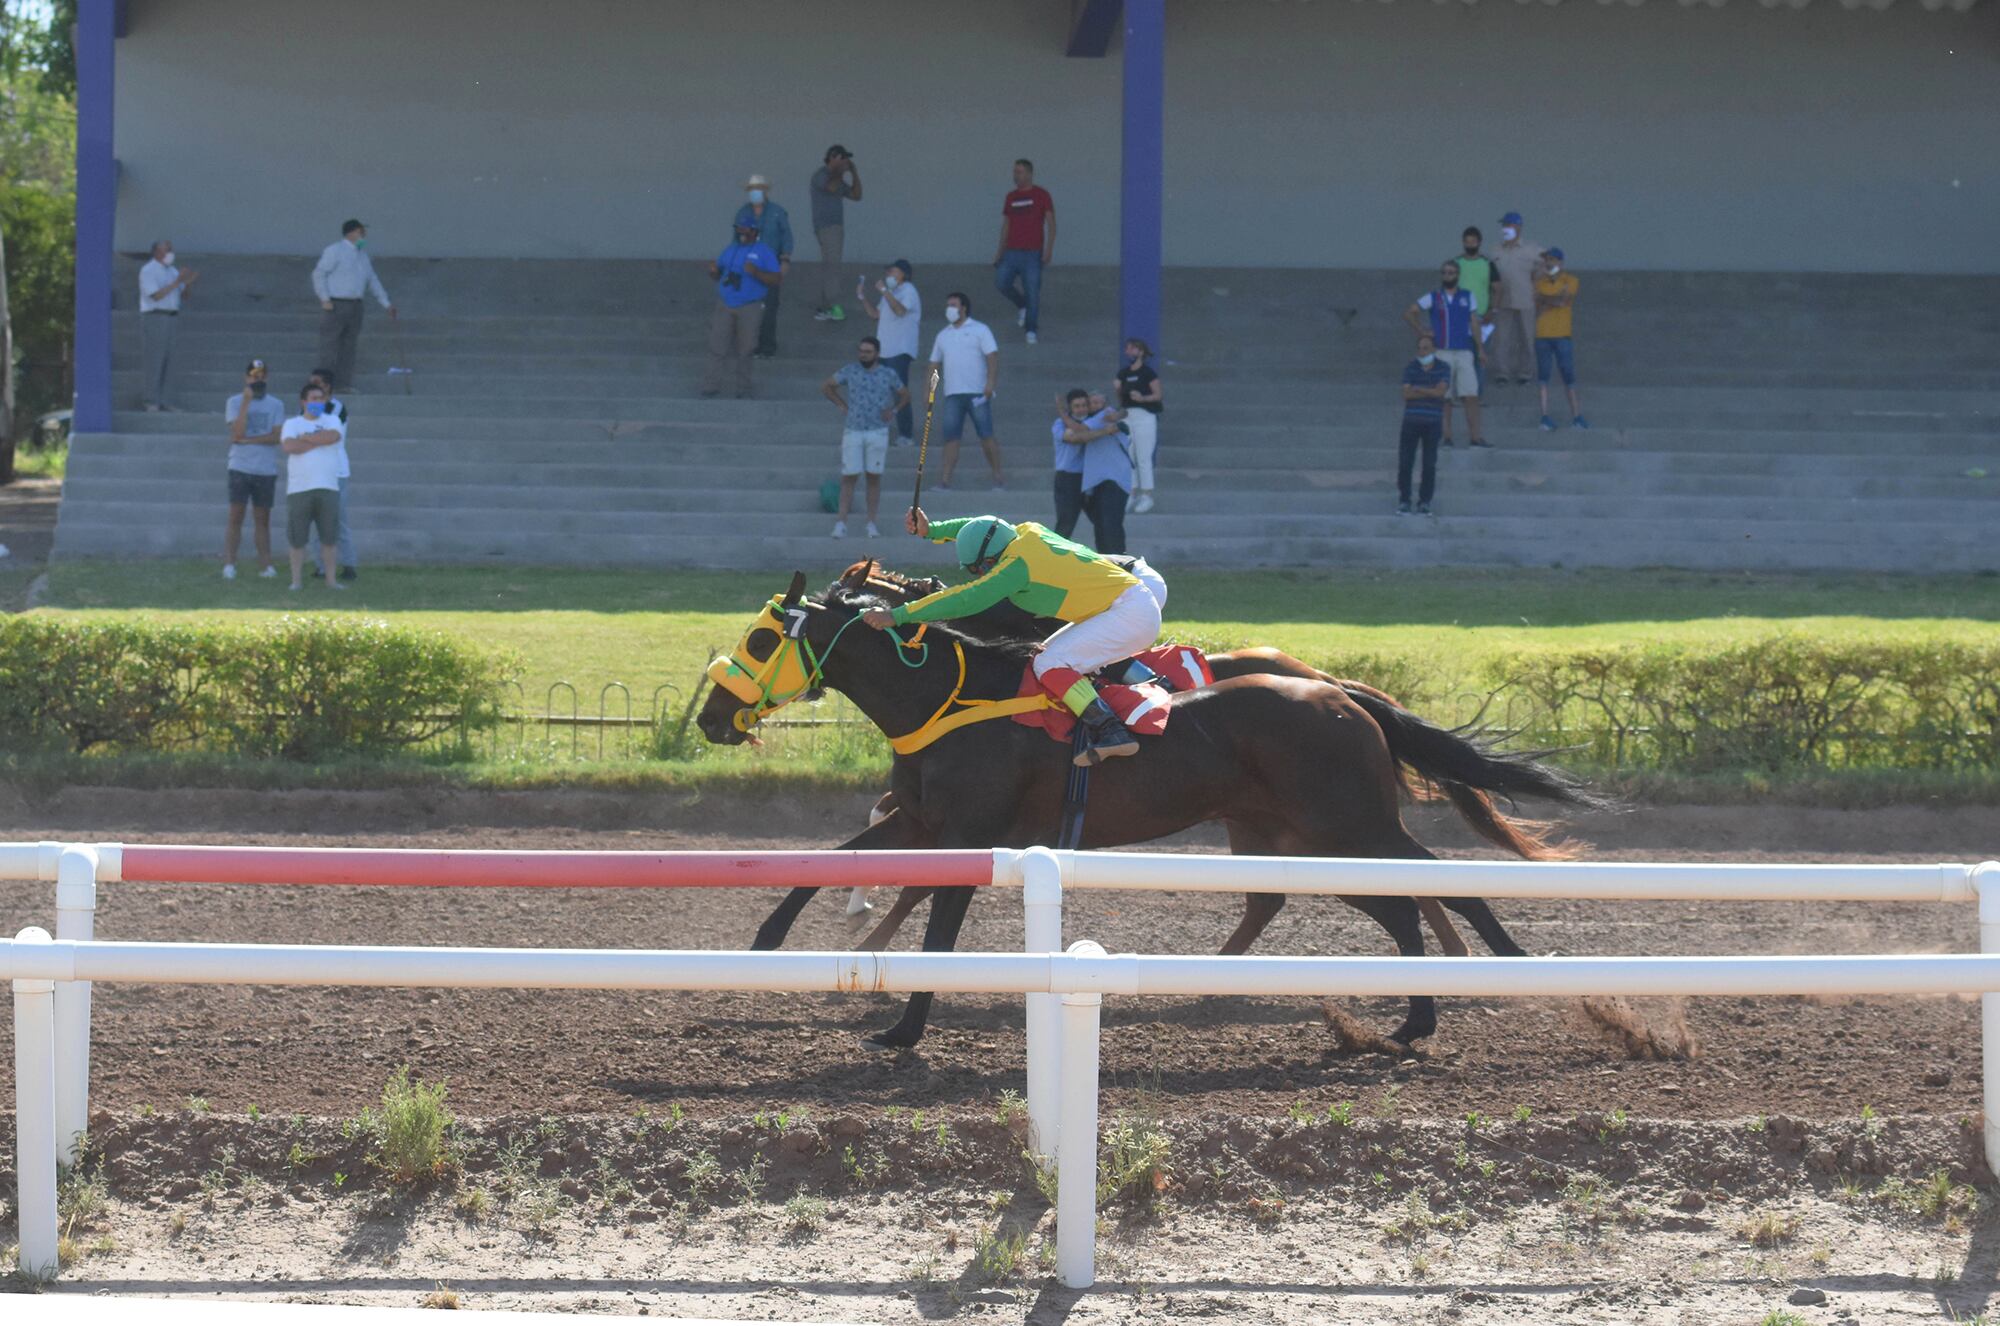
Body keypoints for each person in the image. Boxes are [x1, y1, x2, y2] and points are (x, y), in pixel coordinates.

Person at [861, 509, 1159, 766]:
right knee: (1048, 657)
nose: (981, 575)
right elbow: (985, 525)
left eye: (981, 569)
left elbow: (966, 599)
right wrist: (933, 530)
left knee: (1049, 663)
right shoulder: (1027, 532)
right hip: (1129, 603)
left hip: (1130, 612)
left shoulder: (1016, 567)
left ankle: (1111, 731)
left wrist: (898, 615)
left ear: (991, 560)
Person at [821, 336, 906, 538]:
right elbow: (827, 386)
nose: (863, 355)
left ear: (876, 353)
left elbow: (904, 394)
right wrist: (841, 404)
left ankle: (871, 523)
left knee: (873, 477)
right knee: (848, 476)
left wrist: (893, 411)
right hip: (854, 429)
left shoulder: (888, 373)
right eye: (861, 351)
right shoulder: (851, 370)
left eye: (867, 351)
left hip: (878, 430)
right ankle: (841, 523)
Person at [1403, 260, 1489, 449]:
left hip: (1464, 350)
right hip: (1441, 351)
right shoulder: (1434, 297)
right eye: (1445, 273)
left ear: (1457, 275)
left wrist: (1480, 348)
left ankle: (1475, 437)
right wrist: (1422, 331)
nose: (1448, 276)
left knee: (1471, 395)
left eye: (1451, 272)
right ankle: (1446, 437)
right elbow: (1410, 312)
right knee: (1444, 396)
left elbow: (1474, 322)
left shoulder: (1468, 296)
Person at [926, 293, 1003, 490]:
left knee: (986, 435)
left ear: (964, 308)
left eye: (953, 304)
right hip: (953, 394)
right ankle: (944, 481)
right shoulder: (943, 335)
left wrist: (990, 383)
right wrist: (930, 390)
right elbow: (934, 363)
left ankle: (998, 478)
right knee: (951, 438)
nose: (949, 308)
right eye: (948, 305)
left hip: (978, 392)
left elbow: (992, 356)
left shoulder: (980, 329)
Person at [701, 219, 782, 399]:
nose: (741, 232)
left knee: (746, 348)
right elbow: (719, 274)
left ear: (755, 231)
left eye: (745, 229)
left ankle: (743, 388)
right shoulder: (731, 249)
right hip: (725, 304)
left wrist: (756, 272)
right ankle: (710, 386)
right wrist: (713, 272)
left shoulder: (764, 251)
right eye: (739, 229)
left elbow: (776, 279)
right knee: (716, 346)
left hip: (750, 306)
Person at [311, 219, 394, 394]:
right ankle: (322, 384)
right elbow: (319, 273)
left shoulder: (362, 255)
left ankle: (343, 383)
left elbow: (372, 280)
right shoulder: (335, 250)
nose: (363, 235)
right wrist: (324, 298)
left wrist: (386, 303)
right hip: (336, 304)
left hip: (356, 305)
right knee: (329, 345)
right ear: (350, 232)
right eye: (360, 231)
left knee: (349, 347)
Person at [280, 383, 347, 591]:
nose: (318, 402)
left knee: (329, 537)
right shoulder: (292, 423)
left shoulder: (333, 420)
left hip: (328, 487)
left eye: (321, 398)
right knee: (297, 538)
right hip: (299, 489)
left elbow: (333, 437)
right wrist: (319, 440)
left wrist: (306, 438)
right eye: (313, 399)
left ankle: (331, 580)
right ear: (304, 402)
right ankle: (296, 581)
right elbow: (290, 446)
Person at [221, 358, 283, 578]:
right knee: (235, 515)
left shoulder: (276, 404)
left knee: (262, 518)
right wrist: (246, 403)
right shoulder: (235, 402)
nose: (257, 379)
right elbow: (237, 433)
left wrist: (249, 440)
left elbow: (276, 437)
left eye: (261, 375)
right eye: (253, 375)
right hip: (240, 466)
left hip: (265, 468)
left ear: (266, 377)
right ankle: (229, 564)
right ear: (246, 377)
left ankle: (266, 565)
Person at [856, 259, 921, 444]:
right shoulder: (890, 293)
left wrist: (884, 291)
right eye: (888, 272)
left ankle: (906, 434)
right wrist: (862, 298)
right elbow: (875, 315)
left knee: (899, 392)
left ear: (904, 274)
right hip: (883, 351)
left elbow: (900, 311)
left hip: (899, 350)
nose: (889, 275)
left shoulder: (909, 290)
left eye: (893, 271)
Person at [303, 366, 358, 579]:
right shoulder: (307, 408)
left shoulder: (338, 409)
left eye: (316, 383)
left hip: (336, 472)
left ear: (327, 386)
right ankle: (322, 566)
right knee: (318, 520)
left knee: (338, 521)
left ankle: (349, 564)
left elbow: (330, 435)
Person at [993, 159, 1055, 345]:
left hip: (1032, 253)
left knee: (1033, 292)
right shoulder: (1011, 197)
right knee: (1001, 282)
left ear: (1029, 174)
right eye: (1014, 172)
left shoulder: (1041, 194)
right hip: (1011, 251)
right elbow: (1006, 225)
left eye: (1019, 172)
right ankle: (1022, 306)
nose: (1016, 176)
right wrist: (999, 252)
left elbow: (1051, 225)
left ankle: (1031, 329)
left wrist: (1048, 250)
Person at [734, 175, 793, 358]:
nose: (755, 193)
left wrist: (785, 260)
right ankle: (751, 344)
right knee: (749, 307)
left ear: (766, 191)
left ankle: (767, 346)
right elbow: (735, 239)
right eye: (752, 189)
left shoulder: (777, 212)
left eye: (758, 189)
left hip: (770, 266)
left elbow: (786, 237)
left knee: (769, 306)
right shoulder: (742, 213)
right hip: (748, 265)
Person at [137, 239, 197, 411]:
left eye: (171, 249)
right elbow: (155, 296)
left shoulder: (172, 271)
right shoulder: (148, 270)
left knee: (170, 361)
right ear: (156, 252)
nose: (170, 253)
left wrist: (188, 284)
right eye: (166, 250)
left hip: (172, 316)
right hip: (155, 317)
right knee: (154, 360)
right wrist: (178, 282)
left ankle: (167, 400)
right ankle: (151, 400)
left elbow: (183, 295)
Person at [1489, 210, 1546, 387]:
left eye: (1509, 225)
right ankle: (1502, 372)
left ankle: (1525, 372)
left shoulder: (1532, 250)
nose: (1505, 228)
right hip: (1502, 301)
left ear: (1518, 227)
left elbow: (1544, 269)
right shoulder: (1494, 251)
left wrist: (1537, 289)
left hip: (1525, 300)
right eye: (1504, 225)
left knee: (1527, 338)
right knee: (1501, 338)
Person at [1534, 248, 1589, 431]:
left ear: (1560, 262)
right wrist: (1553, 298)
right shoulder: (1540, 282)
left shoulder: (1571, 280)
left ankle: (1577, 416)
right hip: (1542, 334)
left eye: (1552, 259)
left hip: (1562, 334)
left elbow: (1564, 300)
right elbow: (1540, 300)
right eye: (1547, 260)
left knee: (1568, 376)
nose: (1548, 263)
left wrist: (1547, 299)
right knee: (1543, 377)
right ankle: (1544, 416)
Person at [1396, 334, 1451, 517]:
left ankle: (1425, 502)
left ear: (1434, 349)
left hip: (1432, 423)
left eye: (1426, 348)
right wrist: (1430, 391)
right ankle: (1404, 500)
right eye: (1420, 348)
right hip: (1411, 422)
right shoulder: (1411, 367)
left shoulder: (1444, 367)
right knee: (1405, 463)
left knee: (1429, 464)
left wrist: (1418, 389)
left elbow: (1440, 393)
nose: (1422, 351)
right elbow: (1406, 395)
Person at [809, 145, 861, 323]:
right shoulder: (821, 175)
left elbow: (856, 195)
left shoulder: (838, 179)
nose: (846, 161)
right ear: (833, 157)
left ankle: (825, 307)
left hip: (835, 227)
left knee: (830, 266)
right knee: (833, 266)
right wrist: (839, 170)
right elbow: (831, 187)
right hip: (827, 227)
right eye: (843, 158)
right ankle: (835, 305)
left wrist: (853, 172)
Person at [1078, 393, 1134, 555]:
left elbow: (1081, 431)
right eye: (1092, 402)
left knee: (1110, 522)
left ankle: (1120, 558)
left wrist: (1062, 413)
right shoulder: (1096, 419)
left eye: (1098, 402)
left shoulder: (1105, 414)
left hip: (1113, 479)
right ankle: (1106, 558)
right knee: (1102, 524)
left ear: (1105, 403)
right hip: (1098, 482)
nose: (1095, 405)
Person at [1115, 339, 1163, 513]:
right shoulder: (1123, 373)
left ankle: (1147, 494)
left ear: (1141, 352)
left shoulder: (1148, 373)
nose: (1129, 351)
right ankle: (1131, 492)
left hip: (1145, 416)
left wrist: (1142, 398)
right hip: (1128, 415)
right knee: (1129, 455)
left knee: (1143, 456)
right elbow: (1120, 398)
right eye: (1127, 348)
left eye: (1132, 348)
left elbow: (1157, 395)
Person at [1049, 390, 1091, 538]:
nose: (1081, 409)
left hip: (1091, 478)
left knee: (1101, 522)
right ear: (1070, 408)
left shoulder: (1093, 421)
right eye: (1077, 406)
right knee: (1066, 522)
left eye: (1084, 405)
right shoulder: (1059, 423)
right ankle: (1055, 558)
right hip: (1068, 478)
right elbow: (1072, 437)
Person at [1454, 227, 1496, 320]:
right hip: (1458, 313)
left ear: (1479, 242)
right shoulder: (1455, 263)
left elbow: (1498, 289)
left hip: (1482, 314)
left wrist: (1492, 311)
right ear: (1463, 243)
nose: (1470, 245)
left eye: (1473, 241)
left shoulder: (1488, 264)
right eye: (1467, 242)